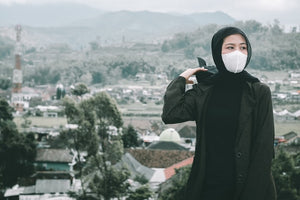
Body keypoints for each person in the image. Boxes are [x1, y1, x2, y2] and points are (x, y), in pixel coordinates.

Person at [161, 27, 276, 200]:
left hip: (246, 186)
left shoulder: (259, 92)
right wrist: (182, 78)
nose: (238, 53)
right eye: (230, 47)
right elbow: (171, 113)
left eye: (243, 47)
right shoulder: (204, 91)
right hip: (207, 185)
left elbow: (264, 149)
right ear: (217, 52)